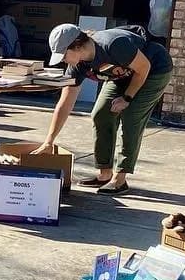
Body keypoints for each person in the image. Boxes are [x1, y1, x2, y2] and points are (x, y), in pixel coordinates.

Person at [31, 23, 174, 195]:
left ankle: (119, 179)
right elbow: (65, 102)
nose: (62, 60)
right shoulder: (78, 65)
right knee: (100, 114)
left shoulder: (113, 44)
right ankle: (104, 174)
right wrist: (49, 141)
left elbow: (143, 68)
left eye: (63, 55)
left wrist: (127, 98)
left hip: (153, 71)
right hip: (121, 75)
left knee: (130, 118)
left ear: (77, 46)